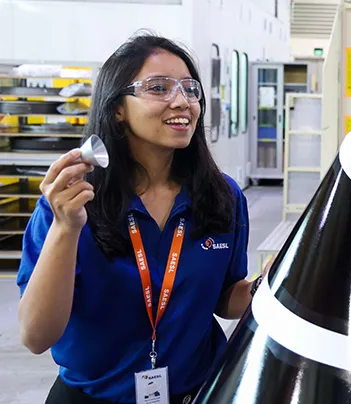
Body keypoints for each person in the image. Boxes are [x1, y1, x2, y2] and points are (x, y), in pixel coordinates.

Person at [16, 34, 267, 404]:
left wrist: (269, 284)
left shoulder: (221, 196)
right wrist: (66, 228)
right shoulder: (74, 203)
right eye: (159, 88)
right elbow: (37, 336)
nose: (182, 101)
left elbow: (224, 298)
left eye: (189, 88)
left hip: (197, 392)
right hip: (93, 397)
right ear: (117, 108)